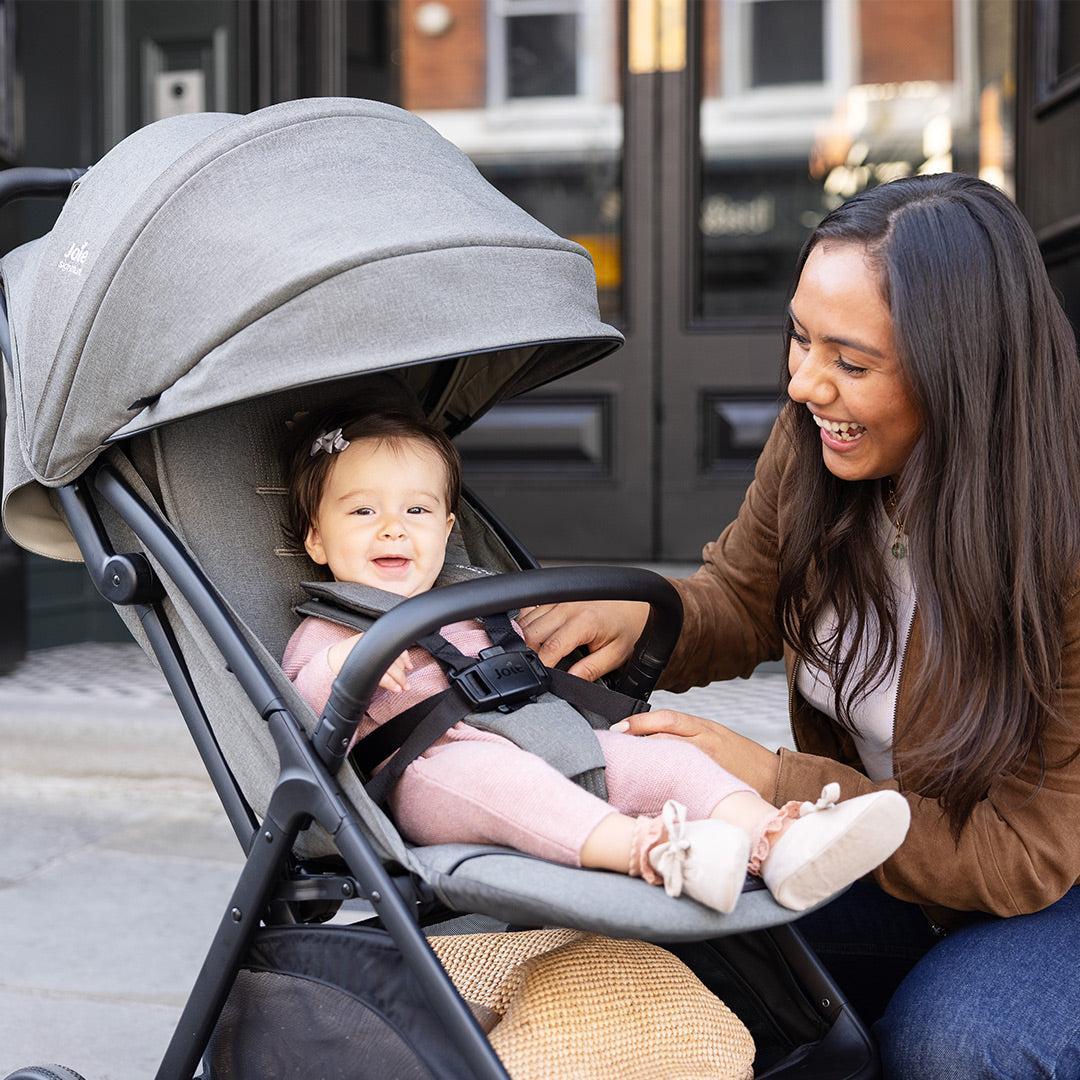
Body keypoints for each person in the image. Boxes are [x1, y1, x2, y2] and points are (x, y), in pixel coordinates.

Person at [518, 173, 1080, 1078]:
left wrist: (783, 779)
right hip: (898, 863)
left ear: (962, 373)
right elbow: (740, 600)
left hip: (1051, 889)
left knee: (959, 1041)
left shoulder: (1059, 537)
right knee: (675, 940)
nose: (805, 381)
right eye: (799, 337)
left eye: (852, 362)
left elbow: (1022, 859)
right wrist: (642, 612)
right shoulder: (817, 446)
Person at [279, 408, 909, 917]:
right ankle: (655, 851)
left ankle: (775, 839)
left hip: (555, 739)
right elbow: (298, 700)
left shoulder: (475, 599)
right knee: (493, 780)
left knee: (663, 756)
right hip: (437, 773)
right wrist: (342, 665)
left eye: (414, 511)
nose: (392, 528)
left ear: (447, 529)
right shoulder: (328, 628)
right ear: (315, 538)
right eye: (363, 511)